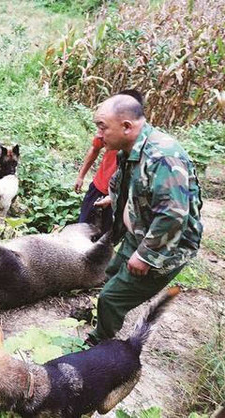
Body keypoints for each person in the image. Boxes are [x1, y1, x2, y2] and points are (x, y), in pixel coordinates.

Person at [85, 93, 202, 345]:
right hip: (140, 231)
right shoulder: (130, 149)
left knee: (111, 297)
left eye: (102, 127)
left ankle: (100, 343)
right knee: (112, 272)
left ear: (127, 126)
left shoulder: (162, 157)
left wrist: (146, 255)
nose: (98, 135)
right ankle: (101, 318)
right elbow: (134, 184)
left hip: (165, 246)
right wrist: (114, 198)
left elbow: (173, 214)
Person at [74, 90, 144, 234]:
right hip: (100, 188)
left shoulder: (149, 152)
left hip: (120, 198)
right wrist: (81, 176)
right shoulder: (108, 132)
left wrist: (117, 199)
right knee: (82, 230)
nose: (99, 134)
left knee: (106, 237)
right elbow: (94, 149)